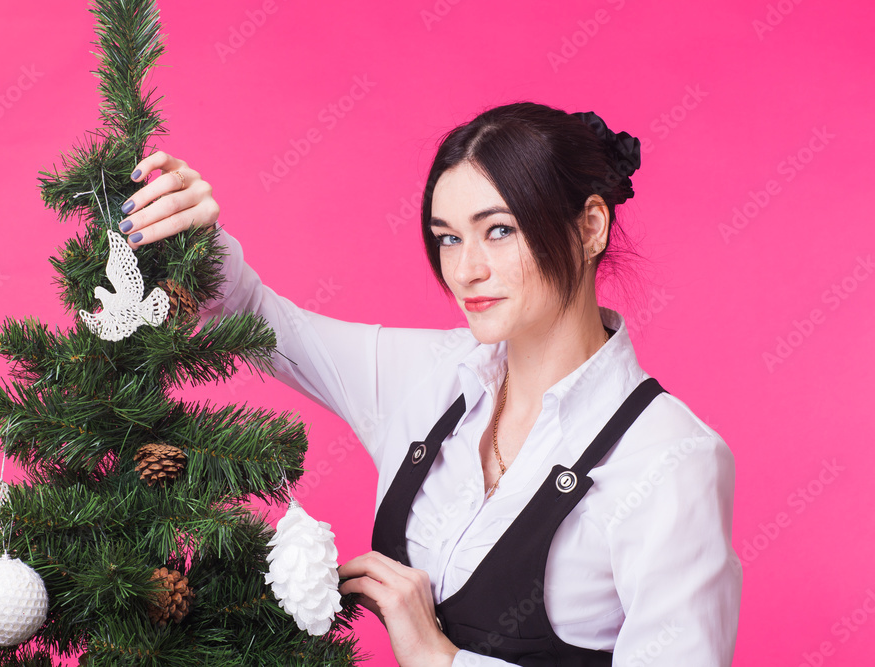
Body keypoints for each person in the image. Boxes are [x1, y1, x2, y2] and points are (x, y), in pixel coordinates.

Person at [117, 102, 742, 666]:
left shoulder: (668, 459)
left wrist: (443, 662)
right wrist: (192, 228)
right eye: (448, 237)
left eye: (499, 230)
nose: (467, 269)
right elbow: (259, 317)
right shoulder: (432, 377)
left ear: (589, 228)